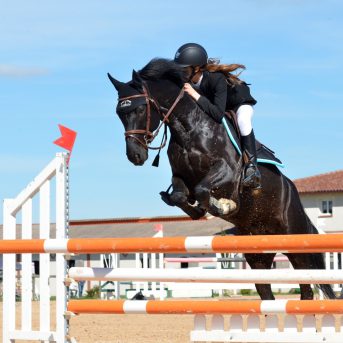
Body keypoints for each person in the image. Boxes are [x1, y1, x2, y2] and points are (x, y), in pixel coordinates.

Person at [174, 43, 261, 190]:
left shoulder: (216, 78)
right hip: (218, 106)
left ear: (196, 68)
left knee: (243, 120)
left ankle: (252, 168)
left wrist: (194, 94)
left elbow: (218, 114)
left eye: (184, 70)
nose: (181, 74)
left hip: (239, 104)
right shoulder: (189, 82)